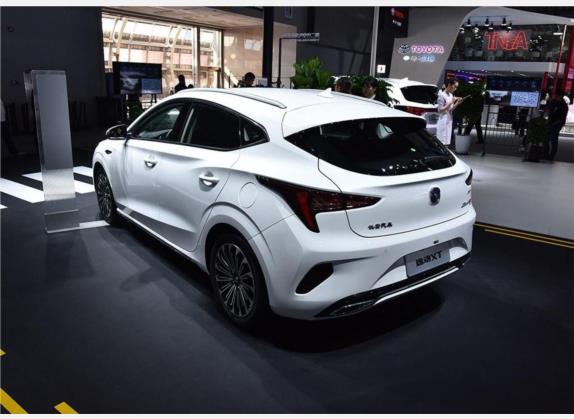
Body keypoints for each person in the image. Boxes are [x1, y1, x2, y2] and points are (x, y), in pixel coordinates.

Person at [436, 78, 463, 146]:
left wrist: (457, 103)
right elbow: (440, 110)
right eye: (455, 86)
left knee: (447, 142)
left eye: (457, 87)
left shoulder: (451, 95)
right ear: (449, 85)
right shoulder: (441, 95)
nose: (455, 89)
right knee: (442, 142)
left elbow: (450, 110)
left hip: (449, 120)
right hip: (443, 120)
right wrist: (451, 102)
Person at [545, 89, 568, 161]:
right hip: (551, 122)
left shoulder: (564, 105)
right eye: (556, 95)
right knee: (546, 139)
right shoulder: (553, 102)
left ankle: (551, 156)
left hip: (557, 123)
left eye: (557, 96)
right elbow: (549, 110)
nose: (556, 97)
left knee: (553, 139)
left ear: (561, 96)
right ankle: (546, 155)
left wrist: (556, 122)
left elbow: (562, 117)